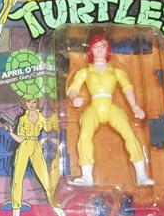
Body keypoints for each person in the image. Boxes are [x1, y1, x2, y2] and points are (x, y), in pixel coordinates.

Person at [66, 34, 154, 186]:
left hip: (110, 107)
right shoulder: (85, 72)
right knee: (84, 136)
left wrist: (134, 106)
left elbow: (127, 87)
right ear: (91, 50)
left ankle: (141, 175)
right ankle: (87, 176)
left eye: (103, 46)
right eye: (96, 46)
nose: (99, 49)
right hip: (94, 107)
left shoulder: (116, 71)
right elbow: (73, 88)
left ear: (108, 49)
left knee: (129, 135)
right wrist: (74, 99)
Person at [5, 97, 76, 216]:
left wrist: (58, 115)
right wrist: (10, 132)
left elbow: (50, 126)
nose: (31, 104)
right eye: (29, 102)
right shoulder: (22, 119)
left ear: (37, 103)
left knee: (47, 182)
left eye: (34, 102)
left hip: (36, 147)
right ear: (25, 103)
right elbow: (20, 139)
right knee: (17, 181)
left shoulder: (41, 117)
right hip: (24, 147)